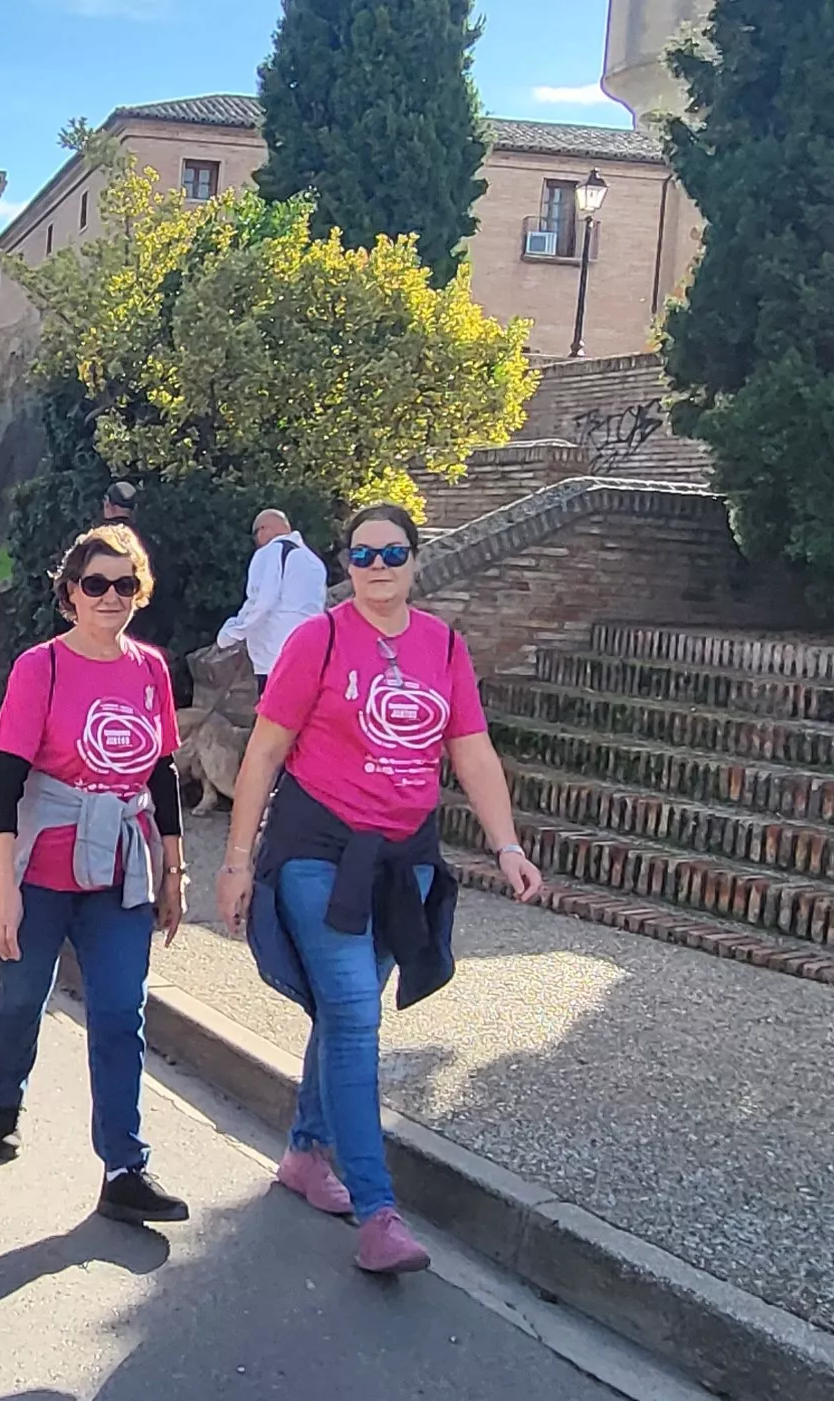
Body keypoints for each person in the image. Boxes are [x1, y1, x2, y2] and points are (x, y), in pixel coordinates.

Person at [217, 503, 545, 1275]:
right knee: (357, 1013)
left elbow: (471, 751)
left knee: (345, 1008)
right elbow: (264, 754)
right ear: (346, 564)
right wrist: (237, 860)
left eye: (393, 552)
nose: (379, 566)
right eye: (363, 555)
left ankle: (305, 1154)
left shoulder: (445, 644)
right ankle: (378, 1211)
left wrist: (507, 845)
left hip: (405, 860)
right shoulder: (319, 639)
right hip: (317, 851)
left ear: (415, 560)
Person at [0, 525, 189, 1226]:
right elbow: (2, 781)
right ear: (70, 593)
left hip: (121, 863)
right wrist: (0, 886)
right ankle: (5, 1094)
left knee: (121, 1009)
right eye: (96, 583)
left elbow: (161, 773)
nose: (110, 596)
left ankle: (124, 1164)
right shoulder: (43, 667)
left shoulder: (151, 669)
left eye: (125, 584)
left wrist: (173, 868)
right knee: (21, 997)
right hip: (43, 863)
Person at [216, 509, 328, 690]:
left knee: (273, 716)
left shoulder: (272, 551)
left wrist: (231, 633)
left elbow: (261, 601)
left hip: (274, 656)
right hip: (311, 653)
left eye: (255, 533)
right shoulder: (313, 561)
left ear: (264, 529)